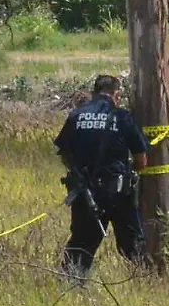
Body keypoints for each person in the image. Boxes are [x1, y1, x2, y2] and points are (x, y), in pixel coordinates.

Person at [54, 75, 152, 276]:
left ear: (94, 92)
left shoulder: (76, 116)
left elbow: (64, 153)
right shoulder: (122, 117)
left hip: (85, 193)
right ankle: (146, 281)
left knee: (82, 244)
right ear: (117, 95)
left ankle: (70, 286)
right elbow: (141, 160)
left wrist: (80, 172)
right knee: (132, 244)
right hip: (118, 193)